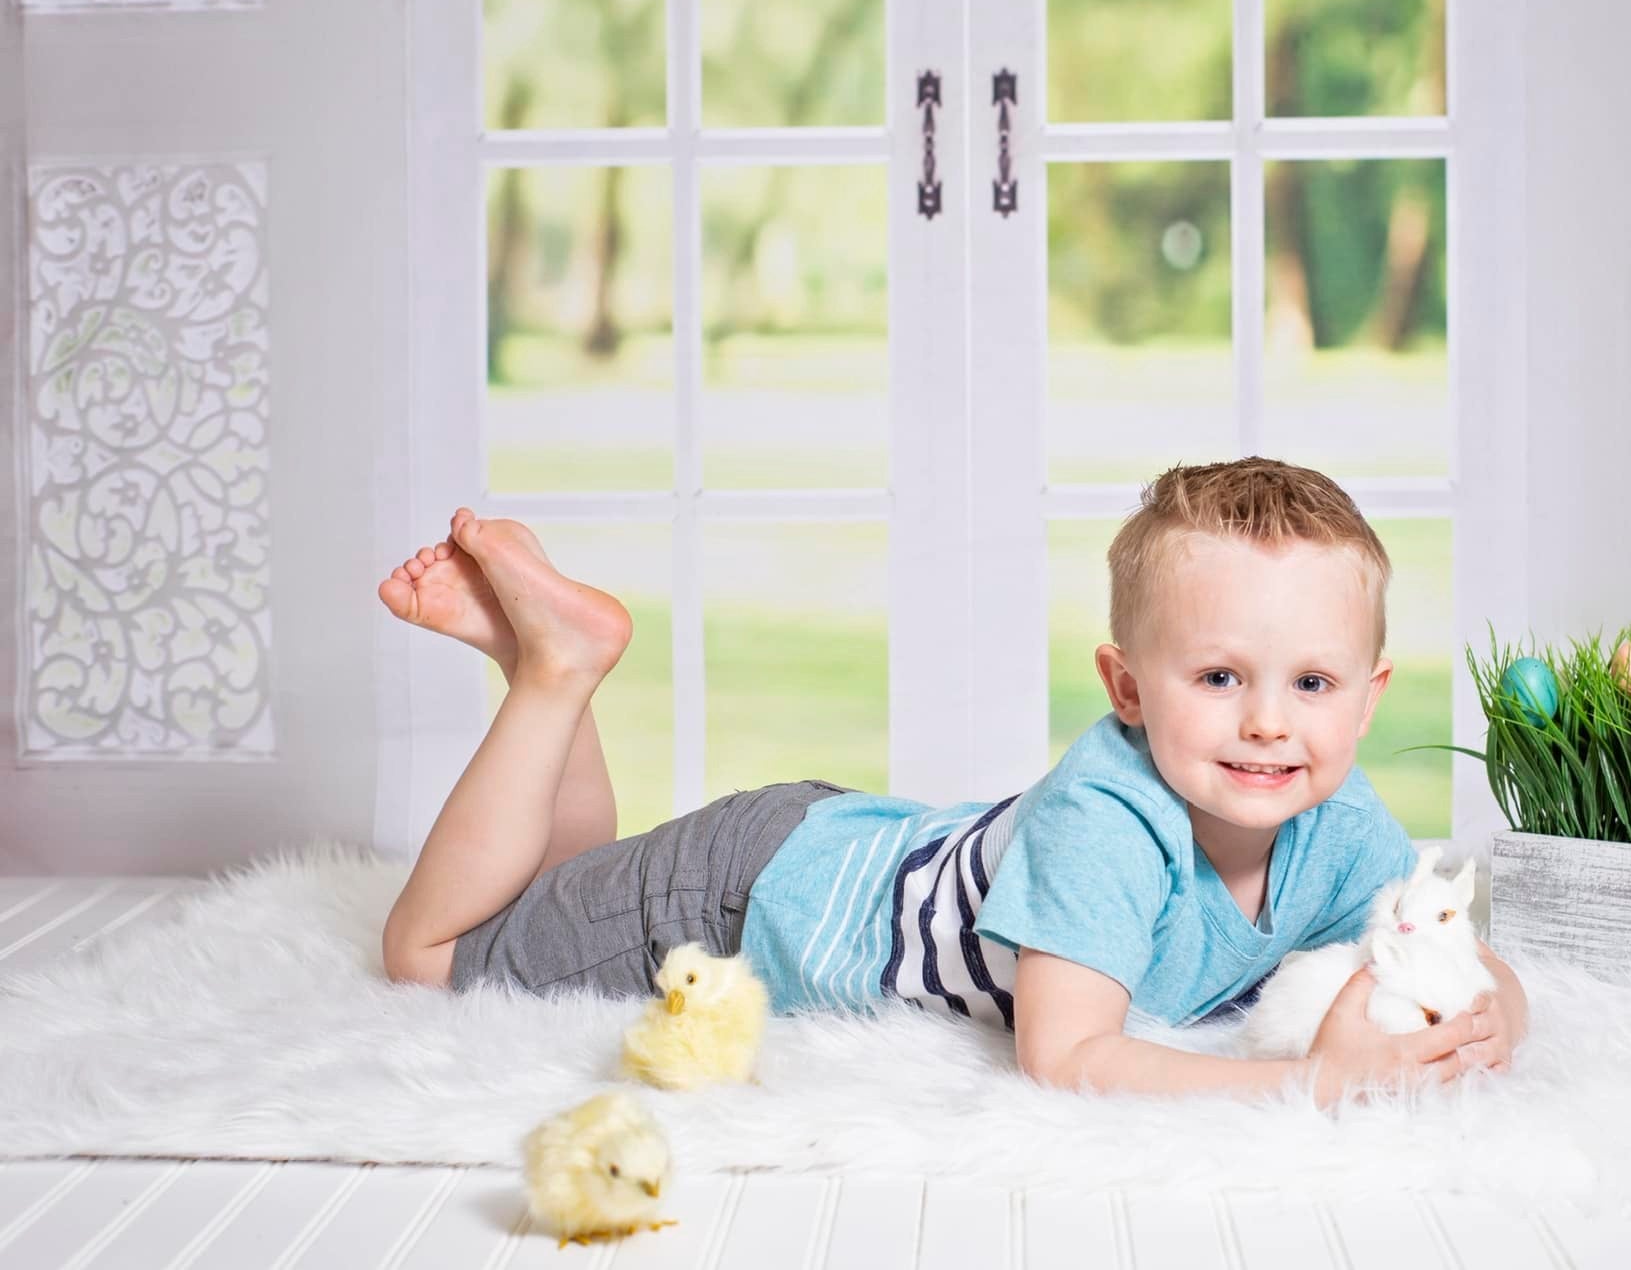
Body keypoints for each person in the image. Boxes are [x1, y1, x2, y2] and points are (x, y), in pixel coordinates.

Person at [378, 457, 1527, 1107]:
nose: (1270, 723)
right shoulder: (1108, 820)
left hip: (845, 845)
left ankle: (545, 668)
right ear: (1126, 688)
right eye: (1219, 676)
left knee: (569, 876)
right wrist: (1313, 1086)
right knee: (435, 961)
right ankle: (552, 671)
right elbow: (1066, 1057)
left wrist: (1480, 1019)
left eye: (1313, 683)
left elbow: (1461, 955)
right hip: (740, 899)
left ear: (1369, 698)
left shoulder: (1338, 821)